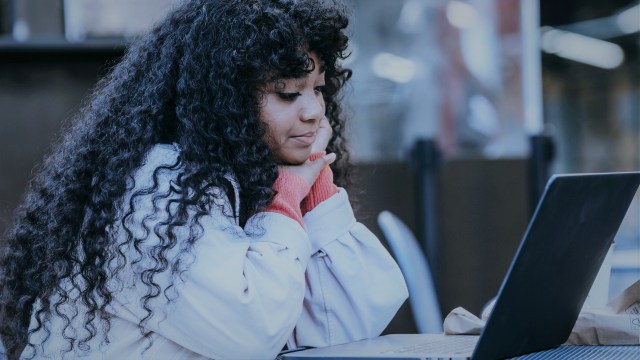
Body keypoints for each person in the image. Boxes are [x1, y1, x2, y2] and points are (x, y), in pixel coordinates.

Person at [0, 0, 408, 359]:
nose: (314, 112)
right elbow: (253, 332)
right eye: (287, 94)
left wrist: (314, 185)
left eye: (317, 89)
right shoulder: (158, 188)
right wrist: (285, 199)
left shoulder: (251, 175)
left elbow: (343, 330)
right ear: (224, 100)